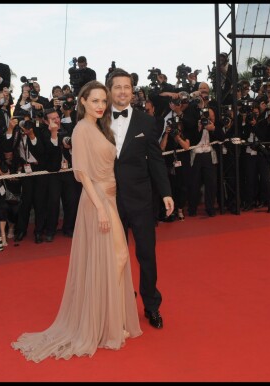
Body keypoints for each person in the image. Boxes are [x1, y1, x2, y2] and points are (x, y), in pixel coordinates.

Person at [11, 81, 142, 362]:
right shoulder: (82, 129)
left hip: (109, 197)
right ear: (82, 101)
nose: (100, 105)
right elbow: (81, 173)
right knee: (114, 257)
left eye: (102, 101)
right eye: (94, 100)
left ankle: (109, 320)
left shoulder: (99, 127)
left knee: (116, 258)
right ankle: (103, 324)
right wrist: (101, 209)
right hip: (97, 200)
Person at [107, 68, 174, 329]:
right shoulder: (98, 121)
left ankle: (151, 305)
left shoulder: (147, 121)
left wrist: (166, 192)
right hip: (111, 201)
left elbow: (156, 160)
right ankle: (121, 302)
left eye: (127, 87)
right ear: (109, 90)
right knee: (115, 256)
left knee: (146, 254)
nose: (123, 91)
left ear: (132, 91)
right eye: (118, 87)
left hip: (142, 199)